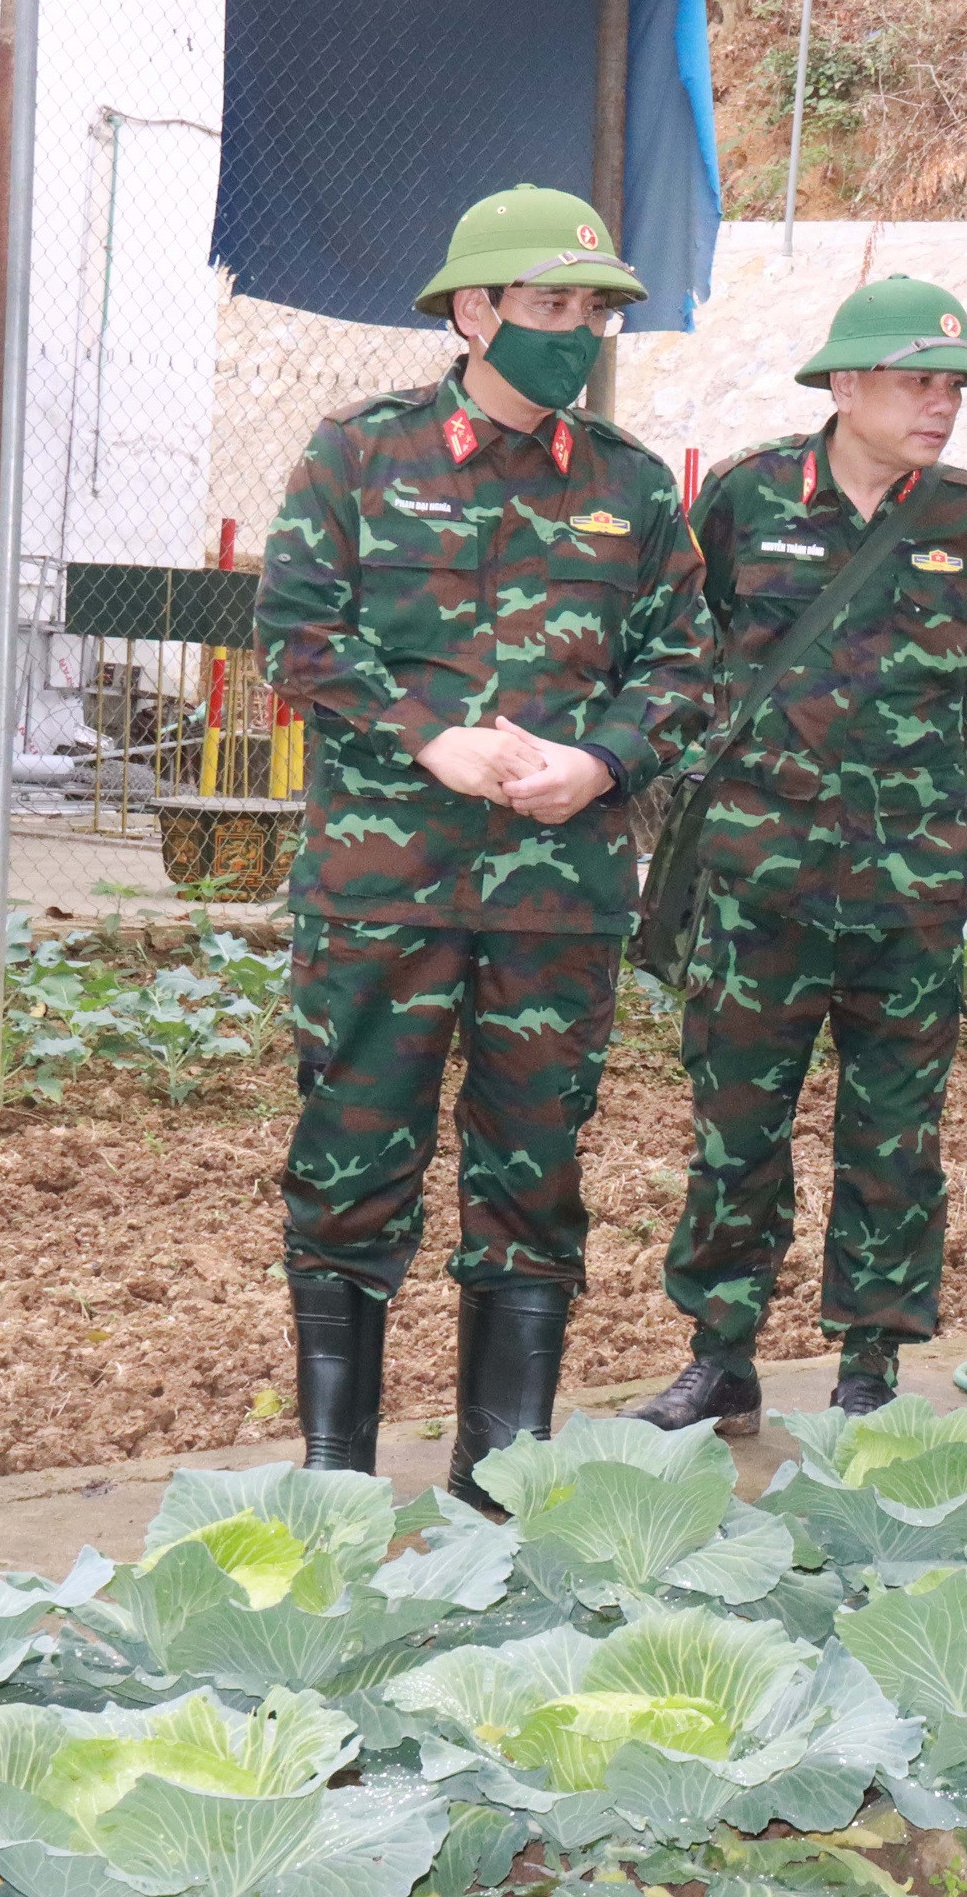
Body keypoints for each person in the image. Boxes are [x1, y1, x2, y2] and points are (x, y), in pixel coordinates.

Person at [257, 184, 710, 1507]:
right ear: (475, 311)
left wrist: (605, 758)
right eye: (550, 306)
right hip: (382, 892)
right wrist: (427, 734)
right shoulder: (361, 456)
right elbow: (295, 630)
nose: (576, 333)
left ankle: (498, 1474)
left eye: (593, 311)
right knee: (351, 1158)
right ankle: (335, 1470)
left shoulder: (630, 488)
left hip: (557, 903)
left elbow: (685, 665)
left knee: (534, 1175)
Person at [627, 276, 967, 1434]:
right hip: (763, 887)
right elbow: (685, 650)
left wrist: (909, 782)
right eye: (918, 381)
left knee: (896, 1137)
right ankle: (722, 1352)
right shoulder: (749, 499)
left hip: (909, 897)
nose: (942, 405)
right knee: (736, 1128)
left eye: (955, 385)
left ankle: (871, 1365)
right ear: (845, 384)